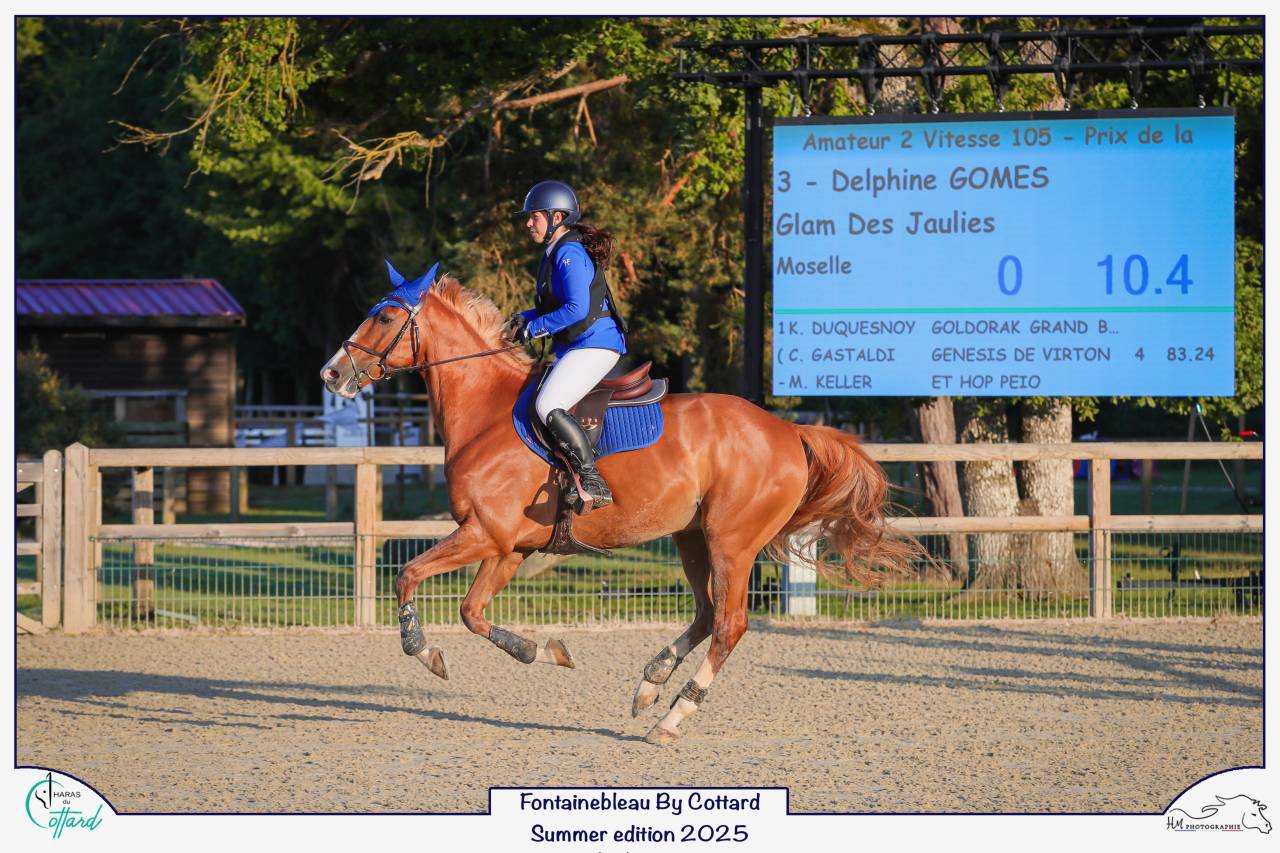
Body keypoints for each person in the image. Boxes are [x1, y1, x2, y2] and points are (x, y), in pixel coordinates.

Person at [505, 180, 628, 511]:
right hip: (581, 344)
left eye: (534, 217)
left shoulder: (569, 252)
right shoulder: (557, 252)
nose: (528, 223)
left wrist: (536, 327)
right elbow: (557, 305)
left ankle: (592, 480)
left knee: (548, 404)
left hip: (596, 343)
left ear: (557, 216)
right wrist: (524, 318)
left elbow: (576, 309)